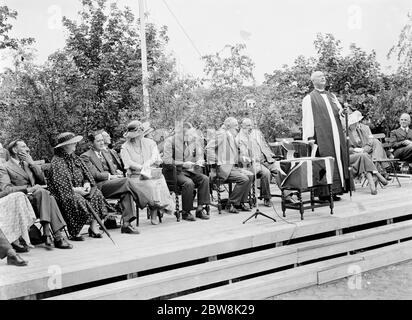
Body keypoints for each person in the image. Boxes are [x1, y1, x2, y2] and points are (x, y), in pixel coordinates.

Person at [0, 140, 72, 249]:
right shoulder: (5, 167)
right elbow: (6, 189)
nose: (28, 149)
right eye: (24, 147)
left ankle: (49, 235)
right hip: (22, 203)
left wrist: (32, 163)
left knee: (46, 195)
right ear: (15, 150)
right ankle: (56, 236)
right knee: (46, 195)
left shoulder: (27, 164)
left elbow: (43, 181)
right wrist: (29, 189)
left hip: (39, 201)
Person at [47, 132, 109, 240]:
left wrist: (87, 184)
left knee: (97, 193)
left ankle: (93, 228)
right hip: (64, 194)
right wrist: (76, 190)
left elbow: (86, 175)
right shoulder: (57, 162)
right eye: (73, 142)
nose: (76, 144)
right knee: (77, 198)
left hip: (81, 190)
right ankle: (75, 231)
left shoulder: (76, 158)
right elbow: (60, 186)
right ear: (65, 145)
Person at [81, 131, 142, 234]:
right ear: (91, 143)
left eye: (102, 140)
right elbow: (94, 175)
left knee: (126, 191)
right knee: (126, 181)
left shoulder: (105, 153)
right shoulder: (85, 156)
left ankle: (126, 224)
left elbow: (113, 169)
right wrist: (111, 176)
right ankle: (144, 200)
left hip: (111, 185)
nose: (101, 142)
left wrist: (116, 175)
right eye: (98, 141)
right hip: (98, 187)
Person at [302, 71, 350, 201]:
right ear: (313, 81)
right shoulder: (309, 98)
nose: (323, 78)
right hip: (321, 136)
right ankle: (324, 193)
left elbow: (340, 113)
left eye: (324, 76)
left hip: (336, 134)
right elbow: (307, 119)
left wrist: (343, 112)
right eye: (319, 77)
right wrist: (310, 137)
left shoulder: (331, 96)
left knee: (337, 160)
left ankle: (336, 191)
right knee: (324, 161)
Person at [120, 120, 175, 225]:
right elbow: (128, 162)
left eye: (141, 133)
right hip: (135, 177)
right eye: (137, 134)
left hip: (150, 173)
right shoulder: (125, 147)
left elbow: (155, 157)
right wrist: (141, 167)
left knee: (160, 180)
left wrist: (148, 163)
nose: (140, 135)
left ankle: (156, 210)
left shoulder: (150, 143)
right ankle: (155, 209)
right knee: (151, 185)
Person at [163, 121, 210, 221]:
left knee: (204, 179)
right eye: (188, 135)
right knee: (189, 183)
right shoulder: (170, 141)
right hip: (174, 172)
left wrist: (198, 160)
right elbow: (166, 160)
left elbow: (194, 155)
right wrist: (182, 164)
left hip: (188, 171)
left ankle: (200, 209)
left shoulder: (189, 141)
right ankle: (186, 212)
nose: (190, 137)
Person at [206, 117, 254, 213]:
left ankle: (241, 202)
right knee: (243, 179)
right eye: (235, 125)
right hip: (221, 169)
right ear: (228, 126)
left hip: (231, 167)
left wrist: (243, 158)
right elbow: (208, 148)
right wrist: (217, 163)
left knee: (250, 175)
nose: (237, 127)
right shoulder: (221, 134)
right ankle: (231, 203)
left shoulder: (229, 134)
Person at [236, 118, 280, 207]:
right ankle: (267, 198)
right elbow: (243, 155)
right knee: (266, 173)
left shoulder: (256, 133)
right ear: (242, 126)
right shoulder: (239, 138)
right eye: (248, 126)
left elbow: (264, 145)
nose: (250, 127)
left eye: (251, 125)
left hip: (266, 159)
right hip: (253, 163)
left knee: (278, 169)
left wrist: (270, 154)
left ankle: (287, 194)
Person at [348, 112, 388, 195]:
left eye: (357, 122)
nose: (356, 125)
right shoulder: (345, 133)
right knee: (365, 156)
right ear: (350, 124)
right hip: (352, 156)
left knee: (367, 153)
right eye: (354, 123)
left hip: (363, 154)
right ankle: (377, 175)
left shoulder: (361, 131)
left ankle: (373, 187)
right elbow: (345, 149)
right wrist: (355, 149)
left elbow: (367, 144)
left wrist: (363, 149)